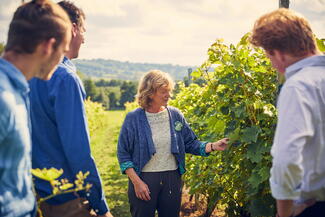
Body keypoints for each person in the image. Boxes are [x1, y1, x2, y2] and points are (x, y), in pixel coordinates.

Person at [29, 1, 113, 217]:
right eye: (83, 30)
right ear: (73, 29)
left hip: (36, 195)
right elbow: (78, 153)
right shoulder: (65, 79)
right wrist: (100, 206)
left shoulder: (26, 73)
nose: (84, 38)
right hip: (67, 200)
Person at [117, 70, 228, 217]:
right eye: (164, 91)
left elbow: (190, 143)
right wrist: (137, 183)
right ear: (150, 93)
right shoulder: (133, 118)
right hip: (144, 179)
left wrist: (213, 146)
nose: (168, 95)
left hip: (172, 179)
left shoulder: (175, 114)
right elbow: (123, 154)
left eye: (169, 91)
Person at [250, 8, 325, 217]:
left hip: (316, 206)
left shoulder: (299, 86)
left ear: (279, 53)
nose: (273, 65)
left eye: (269, 56)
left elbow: (286, 159)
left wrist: (285, 212)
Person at [0, 0, 71, 216]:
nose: (62, 59)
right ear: (48, 47)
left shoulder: (17, 90)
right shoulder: (4, 98)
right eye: (63, 51)